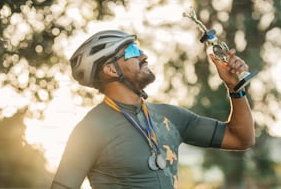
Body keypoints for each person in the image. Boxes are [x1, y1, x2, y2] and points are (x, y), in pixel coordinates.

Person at [50, 30, 255, 189]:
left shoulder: (171, 116)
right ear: (111, 70)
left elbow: (241, 138)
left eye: (138, 48)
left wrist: (233, 87)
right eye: (131, 51)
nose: (143, 54)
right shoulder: (90, 129)